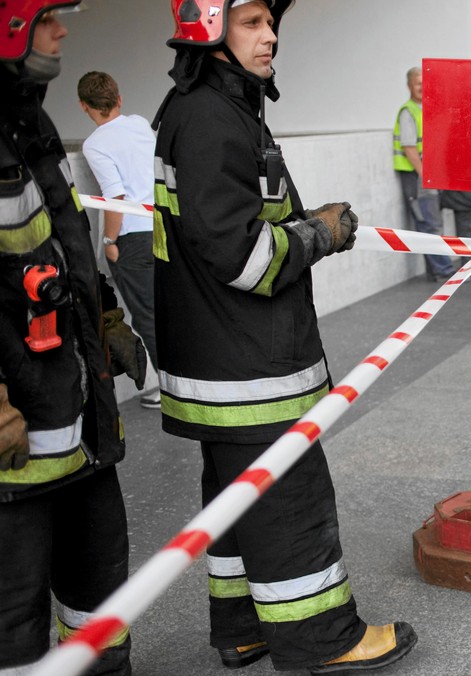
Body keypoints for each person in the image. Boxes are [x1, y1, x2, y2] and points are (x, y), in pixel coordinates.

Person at [152, 0, 415, 671]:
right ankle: (321, 638)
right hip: (250, 365)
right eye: (250, 22)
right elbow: (243, 258)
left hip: (221, 360)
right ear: (208, 29)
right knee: (287, 501)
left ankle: (243, 627)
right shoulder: (211, 119)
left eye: (271, 21)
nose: (270, 35)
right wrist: (320, 232)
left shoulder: (204, 107)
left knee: (237, 504)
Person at [0, 3, 147, 674]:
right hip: (15, 444)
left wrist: (104, 319)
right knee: (12, 610)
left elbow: (61, 245)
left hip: (77, 419)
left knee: (97, 583)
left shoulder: (24, 118)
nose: (62, 30)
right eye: (48, 15)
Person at [78, 70, 162, 409]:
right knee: (171, 310)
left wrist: (109, 241)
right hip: (164, 228)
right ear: (119, 99)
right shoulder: (140, 124)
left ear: (84, 106)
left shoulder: (95, 144)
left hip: (133, 239)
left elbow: (115, 196)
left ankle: (172, 391)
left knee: (147, 317)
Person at [394, 65, 454, 282]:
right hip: (416, 176)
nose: (422, 87)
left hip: (426, 176)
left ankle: (436, 271)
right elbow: (409, 147)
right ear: (409, 85)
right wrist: (425, 177)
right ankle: (444, 271)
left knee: (431, 223)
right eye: (418, 83)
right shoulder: (408, 111)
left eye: (424, 83)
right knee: (430, 224)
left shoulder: (425, 109)